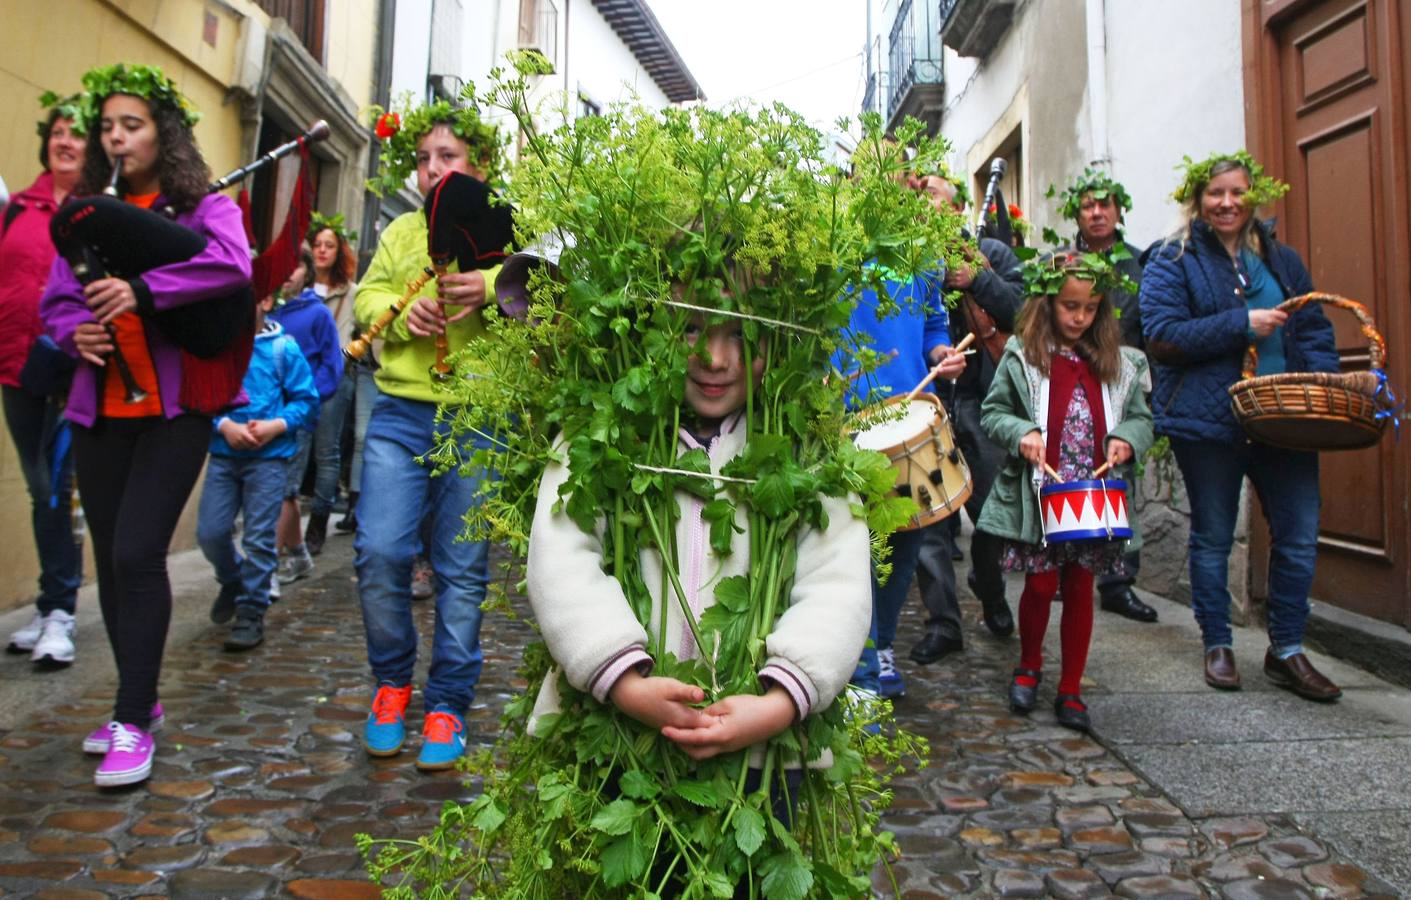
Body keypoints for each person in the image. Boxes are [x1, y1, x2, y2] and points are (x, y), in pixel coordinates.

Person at [526, 314, 871, 803]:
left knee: (753, 877)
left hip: (764, 750)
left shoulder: (807, 447)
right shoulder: (604, 432)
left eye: (740, 333)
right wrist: (623, 681)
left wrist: (778, 702)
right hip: (615, 736)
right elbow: (561, 560)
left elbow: (838, 582)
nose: (715, 358)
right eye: (689, 328)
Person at [41, 63, 252, 787]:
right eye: (109, 127)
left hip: (172, 407)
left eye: (132, 124)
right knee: (109, 553)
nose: (118, 137)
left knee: (137, 554)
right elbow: (56, 299)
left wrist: (140, 289)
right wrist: (77, 333)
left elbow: (232, 265)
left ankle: (132, 723)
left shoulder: (203, 205)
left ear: (163, 131)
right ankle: (140, 701)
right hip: (99, 405)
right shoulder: (87, 207)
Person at [1141, 151, 1341, 701]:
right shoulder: (1171, 259)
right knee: (1213, 535)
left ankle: (1288, 650)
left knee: (1299, 536)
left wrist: (1320, 387)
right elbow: (1161, 334)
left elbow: (1314, 328)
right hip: (1211, 422)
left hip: (1287, 421)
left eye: (1237, 193)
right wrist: (1240, 325)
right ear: (1198, 200)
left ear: (1253, 197)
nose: (1227, 203)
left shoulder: (1281, 259)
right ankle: (1218, 643)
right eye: (1216, 193)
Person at [355, 100, 505, 771]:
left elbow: (541, 283)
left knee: (462, 568)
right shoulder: (400, 233)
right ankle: (391, 681)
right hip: (399, 411)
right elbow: (365, 297)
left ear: (478, 168)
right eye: (423, 159)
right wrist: (394, 310)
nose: (432, 169)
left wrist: (494, 286)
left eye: (447, 157)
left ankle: (448, 701)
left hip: (474, 414)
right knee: (379, 550)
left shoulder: (504, 226)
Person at [978, 254, 1153, 731]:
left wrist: (1125, 441)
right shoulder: (1024, 355)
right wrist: (1022, 432)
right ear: (1048, 304)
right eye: (1070, 306)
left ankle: (1071, 687)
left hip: (1093, 495)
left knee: (1080, 587)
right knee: (1039, 584)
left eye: (1091, 308)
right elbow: (993, 413)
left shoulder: (1120, 362)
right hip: (1041, 494)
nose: (1080, 317)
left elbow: (1140, 419)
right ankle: (1029, 664)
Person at [837, 164, 968, 701]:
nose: (907, 186)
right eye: (889, 175)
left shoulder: (923, 251)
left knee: (909, 537)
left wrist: (940, 352)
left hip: (911, 414)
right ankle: (860, 666)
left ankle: (881, 644)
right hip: (845, 417)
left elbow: (934, 321)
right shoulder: (836, 237)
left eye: (912, 180)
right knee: (856, 546)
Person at [908, 173, 1024, 665]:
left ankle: (991, 588)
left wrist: (975, 278)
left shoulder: (992, 254)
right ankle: (944, 623)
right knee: (931, 522)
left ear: (955, 210)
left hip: (982, 398)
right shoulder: (905, 258)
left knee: (993, 513)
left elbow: (1025, 311)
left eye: (933, 196)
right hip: (930, 400)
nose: (924, 204)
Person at [2, 95, 87, 667]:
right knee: (39, 488)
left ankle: (61, 609)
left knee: (60, 487)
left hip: (73, 370)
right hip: (14, 366)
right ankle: (50, 601)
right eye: (57, 132)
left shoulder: (97, 211)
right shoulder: (17, 209)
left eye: (75, 134)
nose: (64, 141)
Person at [1054, 168, 1158, 623]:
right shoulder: (1059, 263)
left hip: (1117, 382)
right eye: (1088, 205)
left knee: (1119, 477)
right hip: (1068, 383)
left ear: (1118, 212)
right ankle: (1062, 566)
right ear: (1078, 213)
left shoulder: (1139, 265)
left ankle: (1118, 580)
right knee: (1063, 475)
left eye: (1105, 205)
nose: (1097, 212)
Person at [197, 291, 317, 650]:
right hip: (223, 453)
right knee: (210, 531)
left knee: (260, 537)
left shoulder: (283, 350)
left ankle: (252, 610)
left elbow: (306, 402)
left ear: (264, 301)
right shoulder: (218, 348)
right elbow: (200, 394)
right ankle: (232, 578)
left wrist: (275, 425)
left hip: (268, 459)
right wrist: (223, 426)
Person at [268, 249, 341, 584]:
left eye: (294, 266)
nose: (287, 274)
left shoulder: (317, 314)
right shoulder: (271, 311)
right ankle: (297, 554)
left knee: (284, 488)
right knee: (282, 489)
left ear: (307, 273)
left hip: (295, 417)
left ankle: (268, 565)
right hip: (264, 416)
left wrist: (309, 397)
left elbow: (332, 365)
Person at [302, 213, 358, 553]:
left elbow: (360, 331)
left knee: (326, 452)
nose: (322, 251)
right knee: (294, 451)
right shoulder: (299, 287)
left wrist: (343, 358)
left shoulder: (350, 292)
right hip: (297, 378)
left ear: (340, 252)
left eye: (329, 245)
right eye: (317, 245)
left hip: (335, 379)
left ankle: (318, 524)